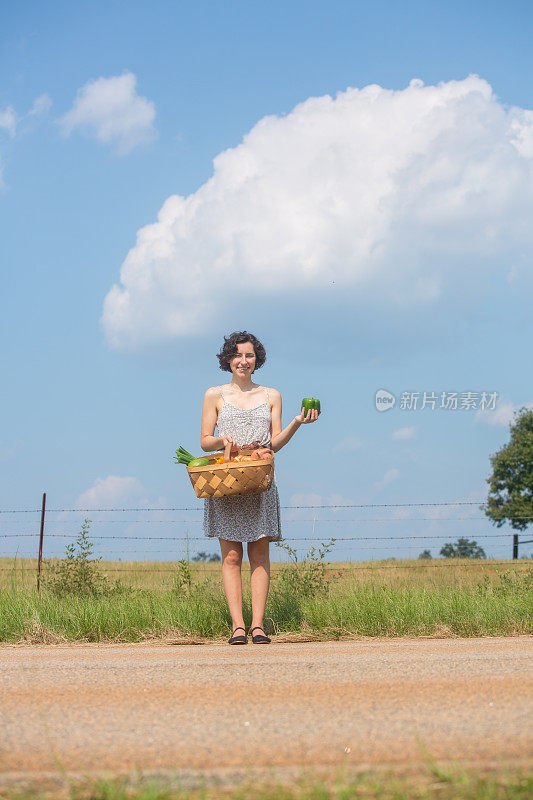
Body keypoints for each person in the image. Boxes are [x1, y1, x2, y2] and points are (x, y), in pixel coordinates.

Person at [200, 330, 319, 645]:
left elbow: (274, 442)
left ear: (257, 360)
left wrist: (296, 422)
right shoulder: (214, 395)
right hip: (226, 481)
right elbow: (204, 440)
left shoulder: (271, 396)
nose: (243, 361)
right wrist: (222, 440)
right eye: (237, 355)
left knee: (259, 552)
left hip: (260, 480)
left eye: (249, 355)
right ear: (228, 359)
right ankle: (237, 626)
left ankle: (257, 626)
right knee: (231, 557)